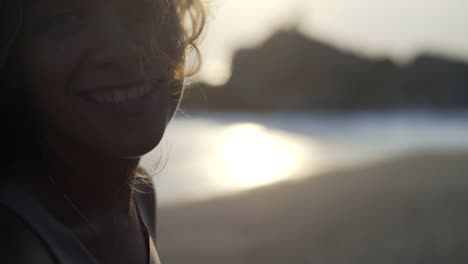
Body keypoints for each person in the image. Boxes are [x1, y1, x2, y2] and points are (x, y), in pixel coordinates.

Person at [0, 0, 205, 263]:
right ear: (13, 54)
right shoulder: (14, 244)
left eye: (145, 9)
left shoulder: (138, 198)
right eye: (67, 19)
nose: (123, 52)